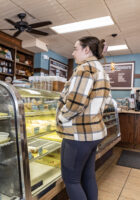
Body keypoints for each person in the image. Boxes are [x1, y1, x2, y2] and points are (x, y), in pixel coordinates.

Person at [56, 36, 112, 200]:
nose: (73, 53)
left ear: (86, 50)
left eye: (75, 49)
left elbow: (75, 103)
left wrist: (61, 117)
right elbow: (107, 100)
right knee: (87, 177)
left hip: (78, 134)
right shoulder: (101, 71)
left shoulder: (85, 69)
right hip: (94, 133)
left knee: (71, 180)